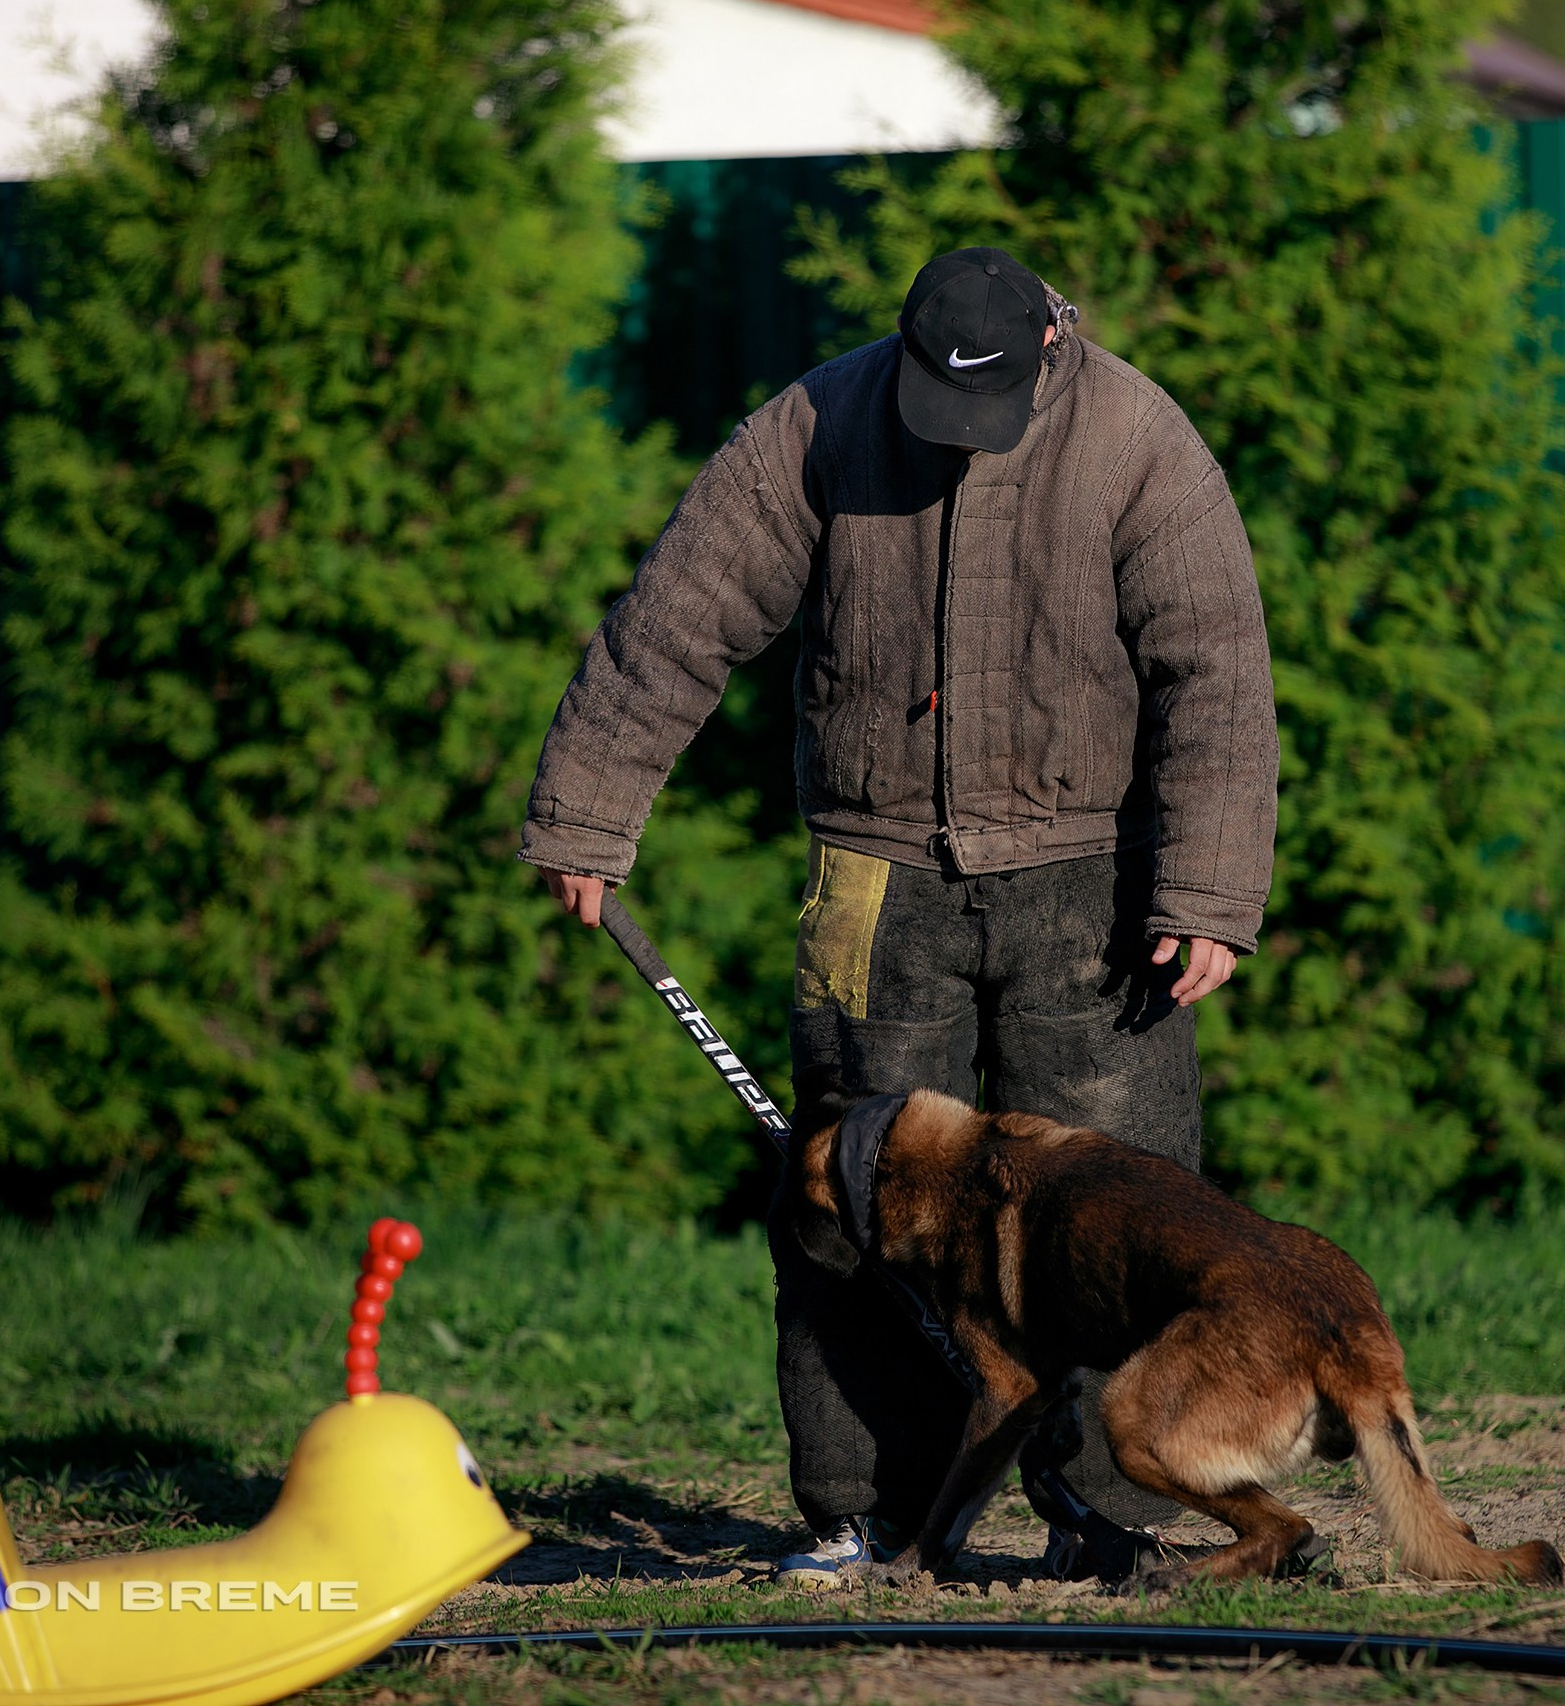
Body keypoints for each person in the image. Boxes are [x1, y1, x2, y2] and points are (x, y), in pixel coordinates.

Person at [522, 247, 1276, 1586]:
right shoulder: (812, 427)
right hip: (869, 874)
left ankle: (1112, 1506)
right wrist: (588, 813)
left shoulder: (1140, 440)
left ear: (1054, 342)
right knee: (842, 1202)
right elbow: (674, 623)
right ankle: (866, 1510)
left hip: (1086, 876)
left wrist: (1207, 891)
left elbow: (1213, 667)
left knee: (1119, 1209)